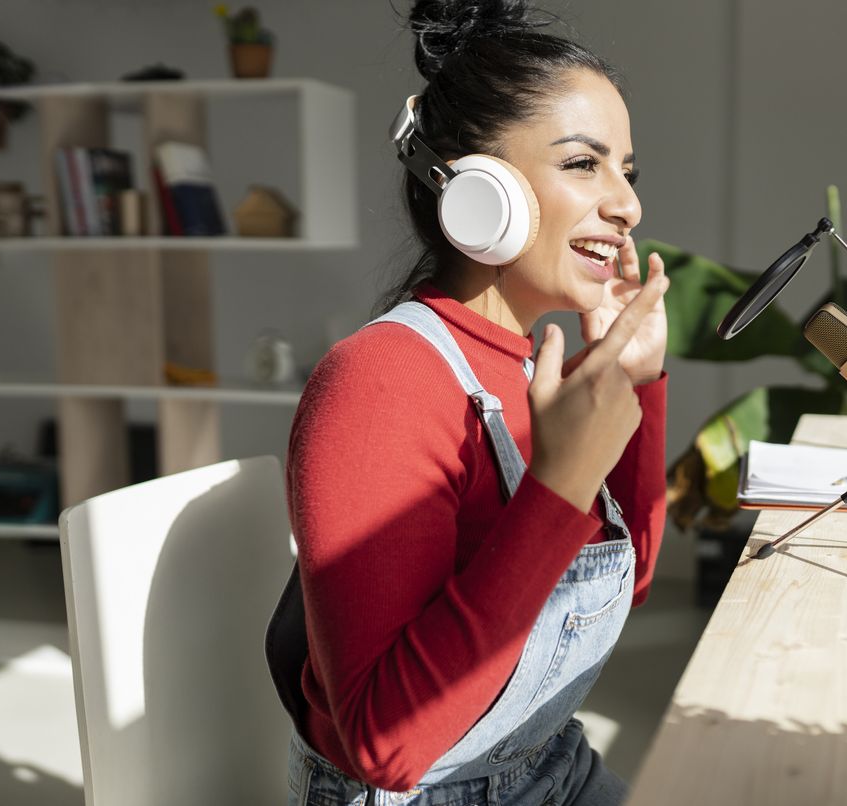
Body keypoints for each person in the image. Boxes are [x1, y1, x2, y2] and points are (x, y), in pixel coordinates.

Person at [281, 2, 669, 803]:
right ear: (480, 192)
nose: (626, 205)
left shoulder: (537, 364)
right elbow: (388, 745)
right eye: (583, 164)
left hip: (550, 764)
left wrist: (633, 382)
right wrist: (558, 488)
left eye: (626, 171)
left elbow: (620, 585)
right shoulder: (379, 383)